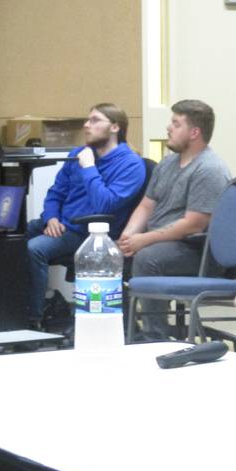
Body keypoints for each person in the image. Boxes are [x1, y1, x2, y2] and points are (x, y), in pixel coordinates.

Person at [118, 99, 231, 340]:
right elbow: (147, 204)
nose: (168, 128)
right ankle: (127, 332)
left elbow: (194, 223)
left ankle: (154, 336)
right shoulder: (168, 162)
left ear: (194, 132)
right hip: (164, 243)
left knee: (148, 259)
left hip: (197, 250)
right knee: (117, 254)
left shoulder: (209, 169)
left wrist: (143, 240)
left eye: (176, 123)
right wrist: (128, 236)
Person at [26, 103, 145, 330]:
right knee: (5, 241)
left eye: (94, 120)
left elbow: (105, 204)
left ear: (115, 127)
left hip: (90, 232)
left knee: (35, 249)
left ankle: (33, 318)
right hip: (61, 224)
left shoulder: (131, 164)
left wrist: (89, 167)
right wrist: (52, 217)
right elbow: (56, 192)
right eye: (87, 120)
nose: (86, 125)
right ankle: (9, 309)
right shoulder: (77, 154)